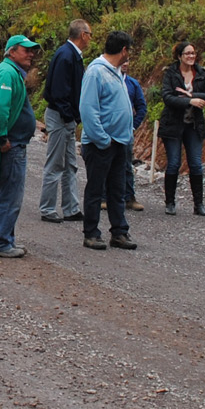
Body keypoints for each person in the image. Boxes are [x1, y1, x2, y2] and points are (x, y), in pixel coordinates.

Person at [0, 34, 41, 258]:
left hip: (14, 144)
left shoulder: (10, 72)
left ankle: (5, 239)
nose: (31, 54)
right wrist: (3, 139)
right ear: (12, 51)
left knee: (7, 193)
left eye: (32, 50)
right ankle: (0, 242)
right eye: (26, 50)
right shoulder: (7, 72)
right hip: (11, 146)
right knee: (10, 195)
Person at [77, 30, 138, 251]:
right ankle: (91, 233)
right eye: (128, 50)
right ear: (123, 50)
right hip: (101, 143)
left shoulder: (115, 72)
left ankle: (119, 231)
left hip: (119, 142)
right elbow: (88, 109)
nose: (129, 55)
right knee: (95, 189)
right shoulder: (96, 72)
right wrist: (102, 139)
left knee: (117, 189)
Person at [39, 19, 90, 222]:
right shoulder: (66, 55)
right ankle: (47, 208)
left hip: (66, 117)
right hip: (60, 116)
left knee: (70, 164)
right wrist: (70, 116)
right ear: (82, 34)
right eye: (90, 34)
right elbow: (59, 91)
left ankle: (71, 207)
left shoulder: (71, 55)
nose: (90, 38)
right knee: (55, 163)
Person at [159, 39, 205, 215]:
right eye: (187, 53)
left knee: (196, 164)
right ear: (179, 56)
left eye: (193, 53)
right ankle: (170, 202)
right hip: (173, 125)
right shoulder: (171, 74)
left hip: (194, 125)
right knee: (174, 163)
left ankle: (199, 205)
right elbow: (167, 97)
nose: (191, 56)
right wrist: (189, 101)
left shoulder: (201, 73)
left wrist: (192, 94)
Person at [122, 71, 148, 210]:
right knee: (105, 163)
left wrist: (133, 126)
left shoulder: (132, 83)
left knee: (126, 164)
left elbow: (141, 107)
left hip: (126, 131)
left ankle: (129, 197)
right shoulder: (105, 79)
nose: (125, 63)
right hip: (109, 129)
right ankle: (103, 196)